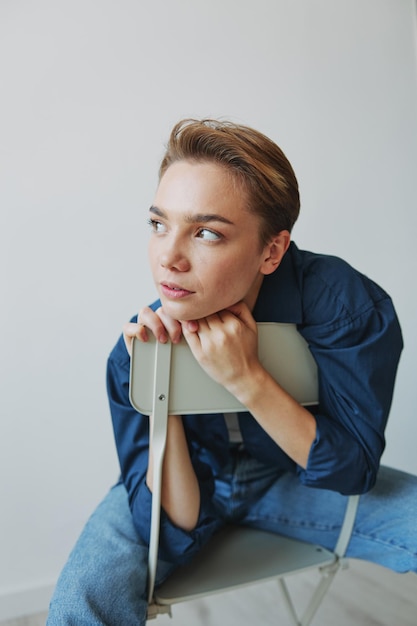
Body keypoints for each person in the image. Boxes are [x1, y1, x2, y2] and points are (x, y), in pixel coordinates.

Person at [47, 119, 417, 624]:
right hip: (191, 484)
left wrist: (247, 377)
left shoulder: (348, 307)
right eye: (159, 224)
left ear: (272, 251)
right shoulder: (134, 350)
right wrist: (164, 388)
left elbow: (352, 471)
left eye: (205, 233)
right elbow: (173, 523)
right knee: (81, 599)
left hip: (295, 481)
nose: (169, 258)